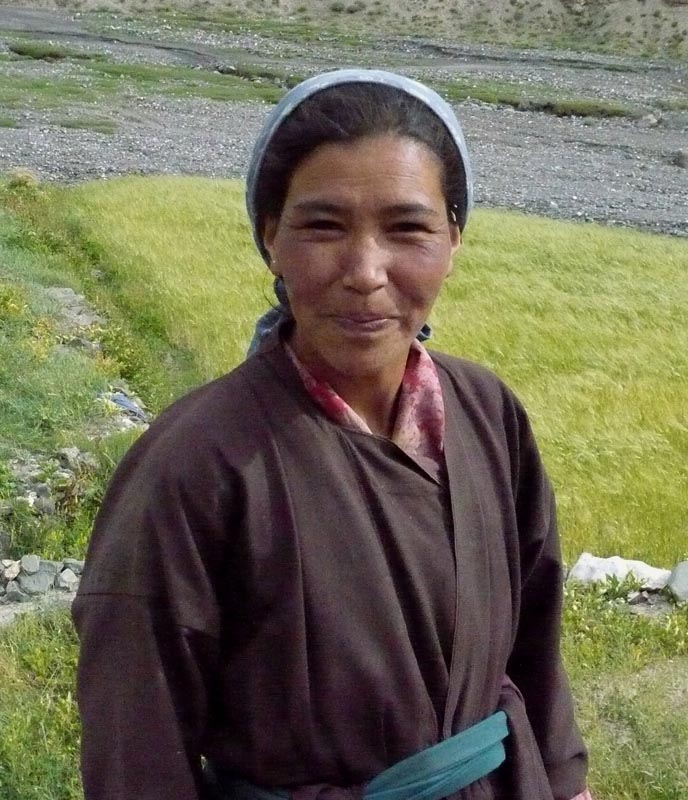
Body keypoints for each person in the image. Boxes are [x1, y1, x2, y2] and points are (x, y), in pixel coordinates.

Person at [73, 69, 594, 800]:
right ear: (270, 238)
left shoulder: (485, 411)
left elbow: (534, 640)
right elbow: (137, 746)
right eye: (323, 226)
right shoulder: (194, 464)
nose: (364, 272)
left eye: (407, 228)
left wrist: (567, 785)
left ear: (454, 238)